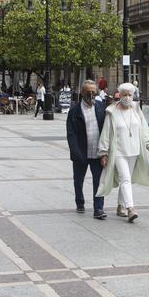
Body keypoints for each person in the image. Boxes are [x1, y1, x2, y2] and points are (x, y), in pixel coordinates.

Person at [97, 82, 149, 223]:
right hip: (118, 151)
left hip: (134, 150)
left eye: (130, 95)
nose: (128, 97)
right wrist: (103, 152)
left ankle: (121, 206)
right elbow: (106, 132)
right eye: (125, 94)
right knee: (125, 179)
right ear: (119, 95)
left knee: (127, 178)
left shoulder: (136, 109)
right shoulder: (111, 111)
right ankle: (130, 208)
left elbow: (144, 128)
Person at [67, 80, 108, 219]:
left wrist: (105, 151)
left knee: (99, 181)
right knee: (78, 180)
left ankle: (98, 209)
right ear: (82, 93)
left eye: (93, 92)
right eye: (88, 92)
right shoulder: (75, 110)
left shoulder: (101, 107)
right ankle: (80, 202)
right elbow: (71, 134)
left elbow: (106, 129)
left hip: (97, 152)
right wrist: (76, 152)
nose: (91, 95)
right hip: (81, 153)